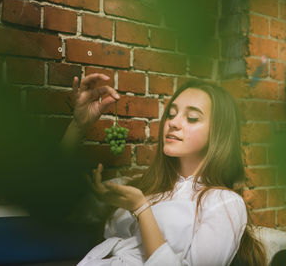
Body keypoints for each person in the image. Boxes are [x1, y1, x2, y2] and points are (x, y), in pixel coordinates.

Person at [65, 73, 266, 265]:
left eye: (192, 118)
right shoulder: (142, 186)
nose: (173, 123)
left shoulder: (223, 202)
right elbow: (53, 205)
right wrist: (78, 126)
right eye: (171, 114)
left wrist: (142, 210)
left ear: (218, 133)